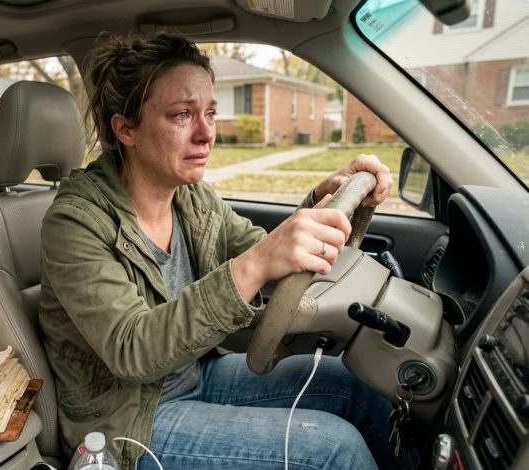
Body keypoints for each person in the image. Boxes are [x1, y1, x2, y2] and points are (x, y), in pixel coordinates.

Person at [39, 33, 413, 470]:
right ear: (126, 129)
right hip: (131, 420)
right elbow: (132, 350)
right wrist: (255, 263)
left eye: (211, 113)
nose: (206, 133)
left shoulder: (193, 196)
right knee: (333, 449)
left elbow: (268, 257)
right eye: (182, 115)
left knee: (357, 384)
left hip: (199, 371)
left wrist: (322, 206)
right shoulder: (75, 222)